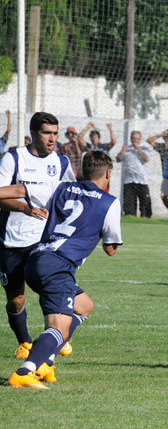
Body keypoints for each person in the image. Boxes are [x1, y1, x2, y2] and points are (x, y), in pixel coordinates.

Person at [7, 150, 122, 389]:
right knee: (58, 327)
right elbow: (110, 249)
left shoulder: (59, 187)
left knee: (84, 306)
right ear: (108, 174)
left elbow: (19, 190)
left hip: (36, 259)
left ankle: (46, 361)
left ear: (80, 172)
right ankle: (26, 371)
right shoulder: (109, 203)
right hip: (58, 266)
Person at [0, 112, 76, 360]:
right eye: (47, 133)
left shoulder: (62, 162)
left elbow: (70, 195)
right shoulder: (13, 158)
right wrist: (24, 207)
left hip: (46, 241)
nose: (52, 138)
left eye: (55, 133)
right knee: (16, 299)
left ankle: (56, 334)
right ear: (34, 133)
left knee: (51, 288)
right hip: (13, 239)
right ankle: (25, 342)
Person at [147, 129, 168, 222]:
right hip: (167, 176)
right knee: (163, 196)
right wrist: (160, 134)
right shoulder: (161, 147)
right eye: (165, 137)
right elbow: (149, 141)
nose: (167, 138)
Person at [116, 131, 152, 218]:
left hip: (142, 180)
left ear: (140, 139)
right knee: (129, 202)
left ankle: (146, 218)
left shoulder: (144, 148)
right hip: (129, 180)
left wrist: (138, 149)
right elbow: (118, 159)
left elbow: (146, 159)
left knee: (145, 202)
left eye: (137, 139)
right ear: (130, 139)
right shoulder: (127, 148)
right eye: (133, 139)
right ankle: (130, 217)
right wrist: (122, 151)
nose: (135, 141)